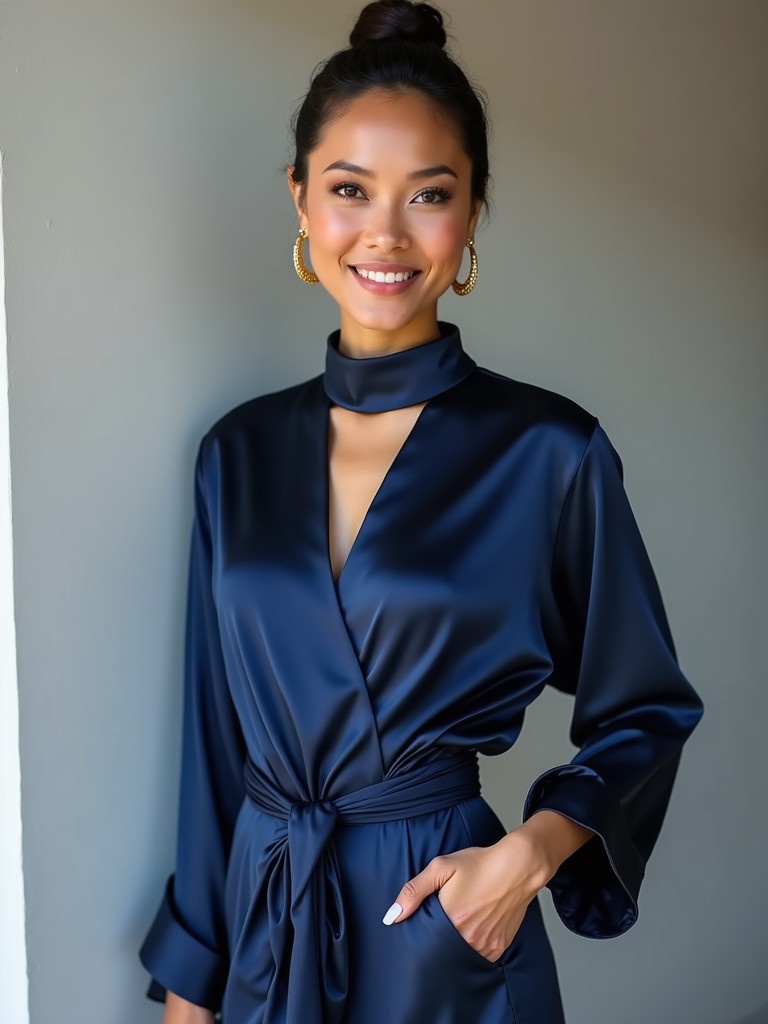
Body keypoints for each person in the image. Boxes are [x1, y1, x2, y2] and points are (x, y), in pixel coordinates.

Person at [139, 2, 704, 1022]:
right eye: (350, 189)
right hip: (269, 920)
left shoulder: (548, 451)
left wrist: (528, 855)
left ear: (475, 209)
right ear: (301, 200)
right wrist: (194, 983)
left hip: (437, 924)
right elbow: (215, 745)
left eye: (429, 194)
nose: (386, 234)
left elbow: (646, 707)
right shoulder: (237, 453)